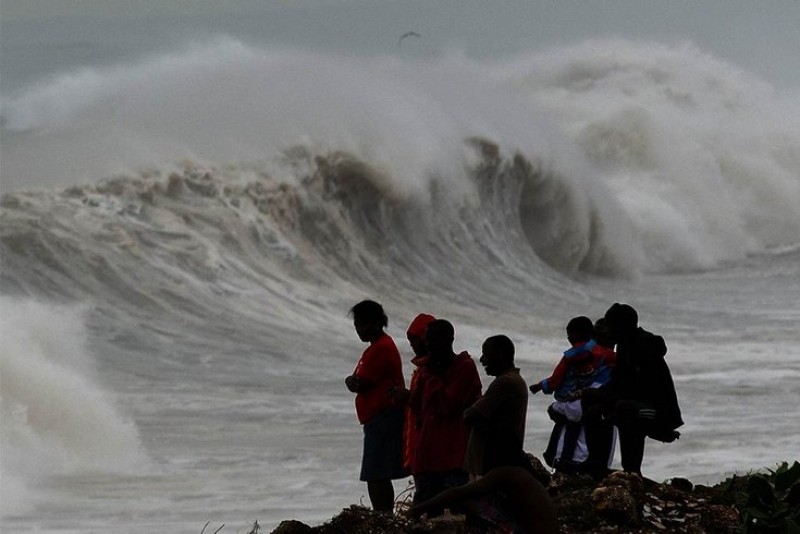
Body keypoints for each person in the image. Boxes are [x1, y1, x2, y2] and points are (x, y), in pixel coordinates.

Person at [589, 303, 683, 475]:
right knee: (592, 400)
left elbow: (642, 388)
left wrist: (608, 399)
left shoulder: (642, 348)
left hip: (657, 411)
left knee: (623, 408)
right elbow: (619, 380)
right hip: (639, 403)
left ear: (621, 327)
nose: (607, 330)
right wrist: (598, 394)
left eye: (610, 326)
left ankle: (632, 470)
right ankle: (597, 464)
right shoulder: (625, 345)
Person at [408, 319, 482, 508]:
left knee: (455, 511)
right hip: (427, 453)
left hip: (453, 455)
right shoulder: (427, 370)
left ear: (449, 340)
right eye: (428, 340)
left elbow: (448, 405)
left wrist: (431, 376)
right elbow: (417, 406)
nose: (430, 346)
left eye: (434, 340)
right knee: (424, 511)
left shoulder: (464, 367)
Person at [345, 300, 407, 512]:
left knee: (375, 473)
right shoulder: (376, 348)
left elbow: (362, 381)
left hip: (383, 417)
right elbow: (358, 379)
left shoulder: (381, 348)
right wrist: (351, 381)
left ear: (375, 323)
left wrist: (352, 382)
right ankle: (384, 515)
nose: (359, 330)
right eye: (357, 326)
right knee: (378, 472)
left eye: (362, 325)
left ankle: (383, 516)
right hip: (379, 417)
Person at [529, 316, 598, 472]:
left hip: (569, 399)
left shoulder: (570, 357)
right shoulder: (597, 352)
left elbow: (555, 380)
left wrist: (540, 386)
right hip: (588, 399)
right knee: (579, 433)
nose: (568, 337)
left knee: (556, 413)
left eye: (570, 334)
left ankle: (560, 459)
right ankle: (572, 461)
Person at [408, 465, 558, 534]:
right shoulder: (518, 474)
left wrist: (417, 510)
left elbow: (457, 493)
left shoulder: (505, 473)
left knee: (466, 500)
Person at [464, 335, 530, 478]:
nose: (482, 360)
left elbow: (471, 415)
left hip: (493, 463)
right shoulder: (513, 381)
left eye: (486, 354)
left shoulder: (505, 382)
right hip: (499, 462)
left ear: (499, 355)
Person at [393, 314, 436, 488]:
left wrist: (408, 397)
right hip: (419, 441)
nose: (412, 345)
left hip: (429, 444)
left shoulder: (433, 369)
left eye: (415, 339)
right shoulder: (422, 368)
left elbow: (433, 404)